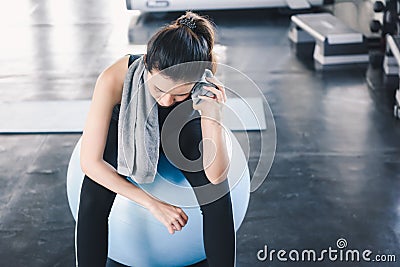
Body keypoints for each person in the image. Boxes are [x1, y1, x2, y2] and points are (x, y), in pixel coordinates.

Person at [77, 11, 235, 267]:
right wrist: (152, 203)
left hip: (179, 128)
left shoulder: (203, 86)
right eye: (159, 89)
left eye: (179, 94)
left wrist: (213, 114)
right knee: (92, 195)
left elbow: (216, 176)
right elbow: (90, 162)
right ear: (148, 63)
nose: (165, 101)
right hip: (127, 129)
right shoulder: (114, 78)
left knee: (216, 196)